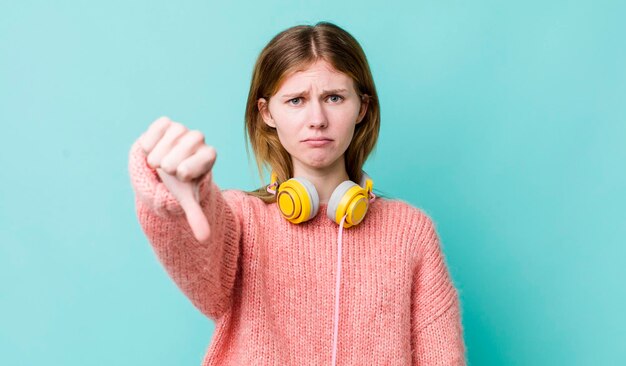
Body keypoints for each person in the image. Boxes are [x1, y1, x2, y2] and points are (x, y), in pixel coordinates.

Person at [128, 21, 466, 365]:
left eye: (334, 97)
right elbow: (201, 268)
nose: (317, 118)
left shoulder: (410, 231)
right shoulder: (240, 219)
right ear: (266, 113)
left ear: (361, 108)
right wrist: (177, 199)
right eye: (296, 100)